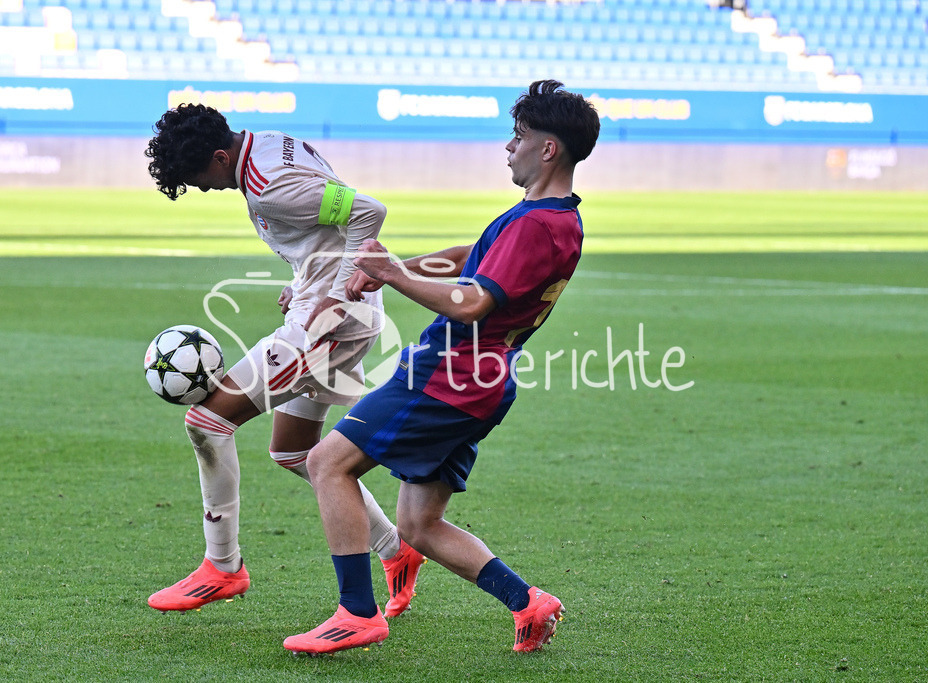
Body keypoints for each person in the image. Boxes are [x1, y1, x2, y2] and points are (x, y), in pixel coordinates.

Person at [283, 80, 600, 655]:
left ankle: (356, 613)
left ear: (549, 149)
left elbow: (475, 299)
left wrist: (396, 276)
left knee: (327, 462)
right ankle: (528, 604)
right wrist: (390, 265)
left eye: (521, 136)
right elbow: (468, 260)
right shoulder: (551, 217)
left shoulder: (536, 225)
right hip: (484, 380)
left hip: (448, 373)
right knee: (419, 526)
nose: (509, 146)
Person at [143, 103, 424, 617]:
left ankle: (222, 567)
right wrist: (303, 283)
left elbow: (368, 211)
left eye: (198, 177)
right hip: (333, 313)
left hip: (329, 327)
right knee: (295, 452)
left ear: (221, 155)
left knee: (207, 421)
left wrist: (333, 297)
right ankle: (396, 550)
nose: (201, 189)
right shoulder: (269, 142)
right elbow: (329, 230)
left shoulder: (270, 184)